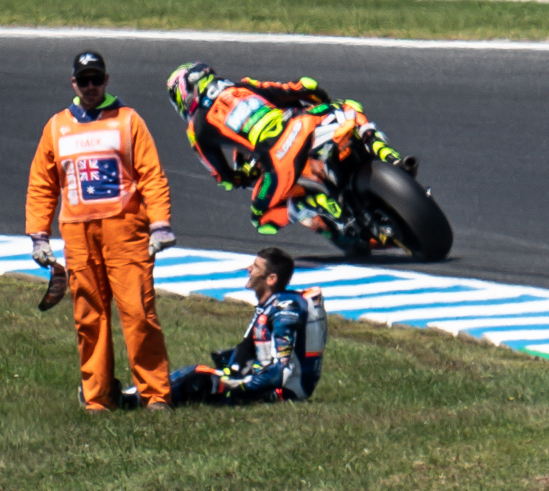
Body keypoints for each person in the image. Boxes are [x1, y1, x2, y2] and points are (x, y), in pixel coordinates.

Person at [27, 49, 175, 411]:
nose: (90, 86)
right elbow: (42, 184)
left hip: (126, 232)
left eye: (97, 79)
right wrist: (39, 235)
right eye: (84, 80)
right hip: (77, 233)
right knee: (88, 316)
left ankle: (155, 395)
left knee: (139, 313)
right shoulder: (57, 126)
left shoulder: (128, 120)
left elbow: (151, 174)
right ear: (73, 84)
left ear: (106, 80)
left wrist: (160, 224)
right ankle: (97, 397)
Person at [164, 62, 364, 236]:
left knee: (261, 220)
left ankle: (312, 203)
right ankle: (382, 151)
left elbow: (222, 177)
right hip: (305, 122)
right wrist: (322, 101)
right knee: (351, 111)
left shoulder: (196, 128)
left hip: (278, 154)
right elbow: (301, 87)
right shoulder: (244, 85)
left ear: (185, 92)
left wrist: (238, 177)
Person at [171, 247, 322, 404]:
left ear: (271, 279)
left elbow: (280, 367)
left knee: (197, 378)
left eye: (255, 266)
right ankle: (150, 392)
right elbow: (249, 348)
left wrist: (239, 387)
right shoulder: (268, 306)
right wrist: (232, 368)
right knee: (194, 374)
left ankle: (151, 397)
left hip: (279, 391)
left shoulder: (285, 308)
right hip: (261, 382)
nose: (248, 269)